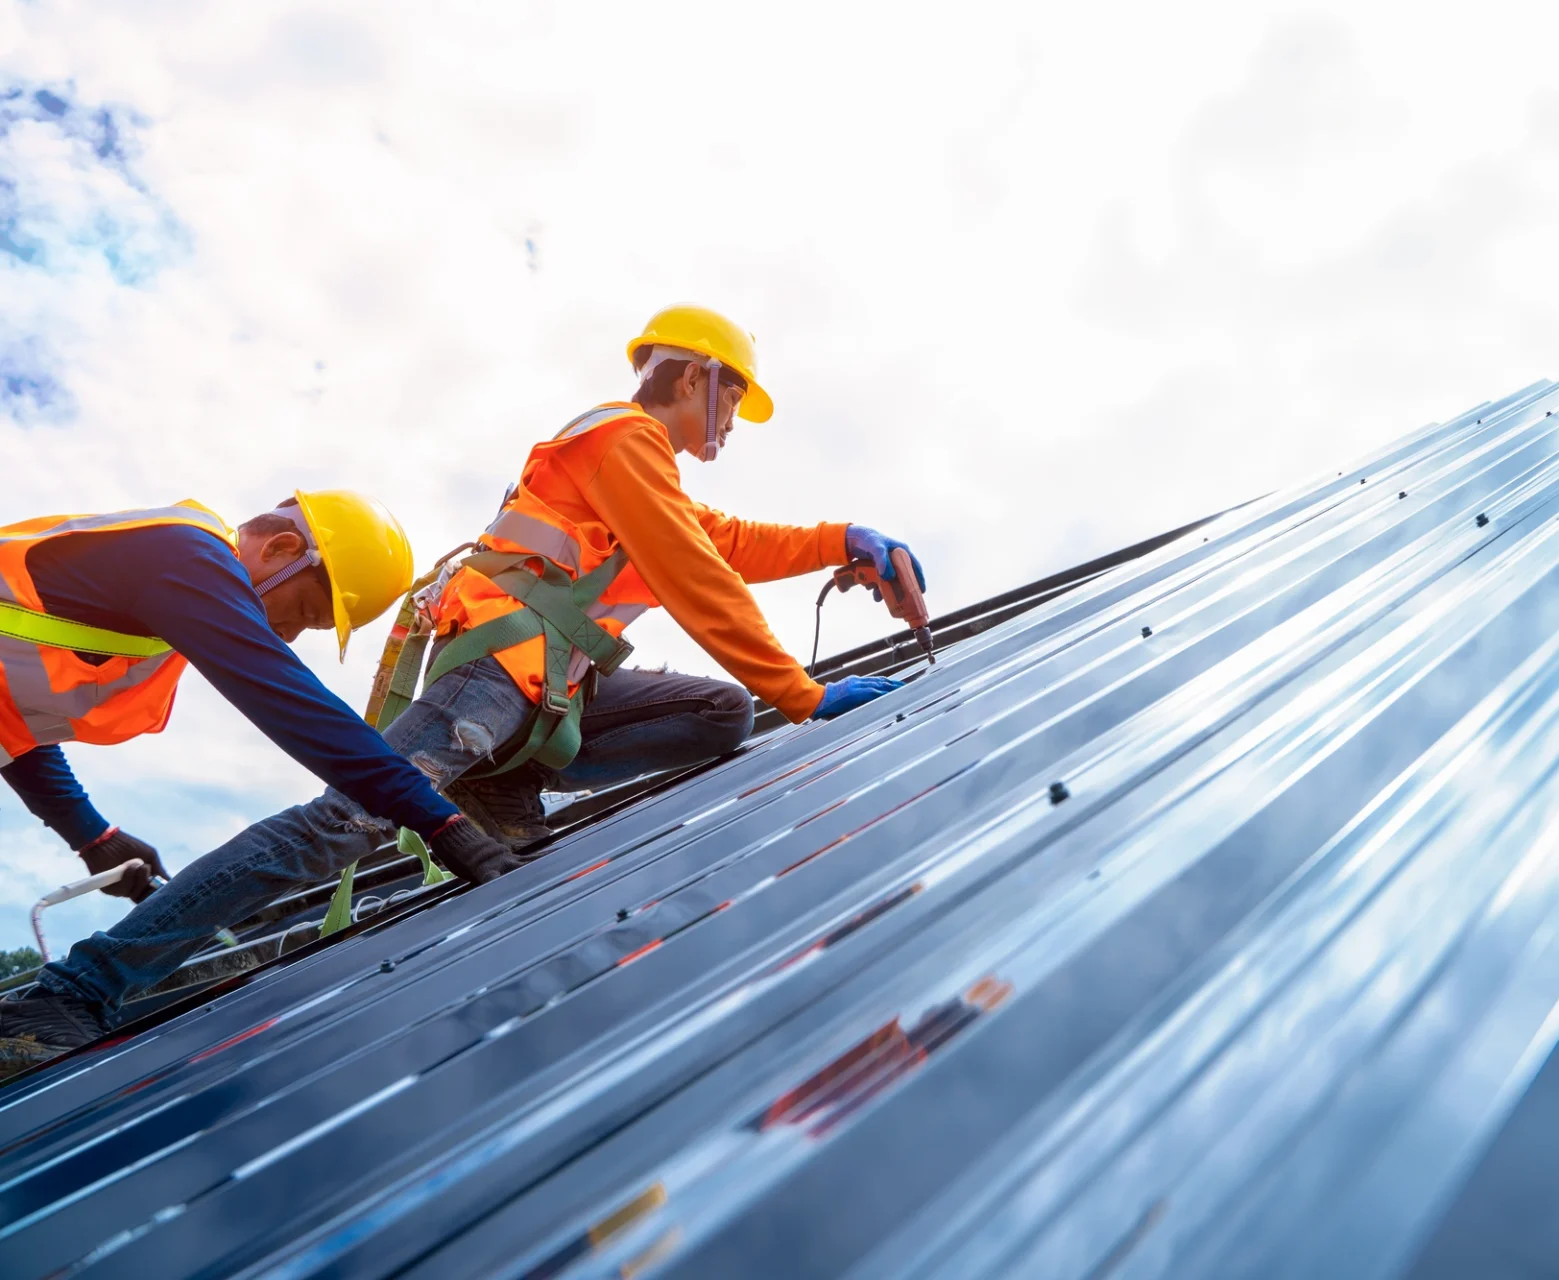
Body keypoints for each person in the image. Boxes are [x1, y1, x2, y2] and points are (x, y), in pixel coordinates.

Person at [1, 305, 920, 1061]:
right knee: (345, 824)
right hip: (491, 676)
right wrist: (799, 694)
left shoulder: (654, 476)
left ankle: (502, 782)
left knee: (718, 712)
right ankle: (81, 986)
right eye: (731, 402)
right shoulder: (619, 438)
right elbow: (693, 568)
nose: (728, 425)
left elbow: (726, 544)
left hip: (555, 700)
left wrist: (842, 539)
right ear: (695, 378)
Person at [0, 492, 516, 1063]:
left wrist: (92, 835)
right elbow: (291, 703)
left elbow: (10, 724)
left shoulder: (150, 597)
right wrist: (440, 821)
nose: (290, 636)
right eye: (301, 613)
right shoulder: (185, 553)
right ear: (282, 549)